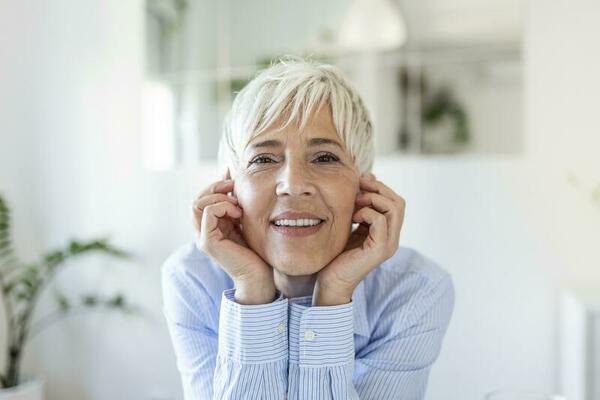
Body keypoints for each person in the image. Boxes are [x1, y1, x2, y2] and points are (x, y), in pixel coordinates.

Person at [161, 56, 455, 399]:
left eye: (325, 157)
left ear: (363, 188)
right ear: (231, 187)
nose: (293, 184)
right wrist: (251, 291)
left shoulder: (414, 290)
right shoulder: (193, 280)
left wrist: (334, 295)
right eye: (263, 159)